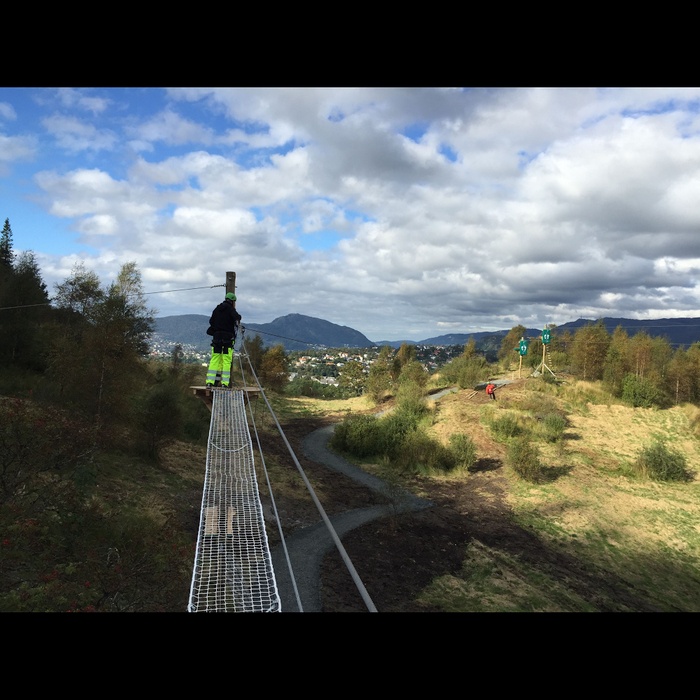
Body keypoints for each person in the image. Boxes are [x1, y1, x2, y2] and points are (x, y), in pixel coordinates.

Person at [206, 292, 242, 388]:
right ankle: (224, 383)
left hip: (217, 338)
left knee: (215, 360)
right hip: (228, 339)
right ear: (233, 301)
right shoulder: (231, 309)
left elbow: (211, 321)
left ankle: (210, 382)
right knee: (226, 361)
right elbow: (237, 318)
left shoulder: (217, 309)